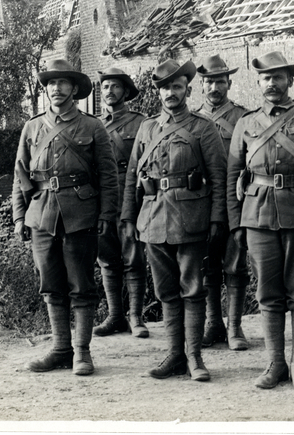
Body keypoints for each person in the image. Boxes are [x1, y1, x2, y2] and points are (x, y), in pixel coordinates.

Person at [227, 51, 294, 391]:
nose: (272, 83)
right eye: (266, 78)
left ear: (290, 81)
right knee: (268, 293)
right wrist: (236, 223)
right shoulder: (246, 123)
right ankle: (275, 364)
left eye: (278, 77)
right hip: (257, 216)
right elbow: (233, 174)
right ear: (259, 83)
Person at [121, 59, 227, 382]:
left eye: (177, 86)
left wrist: (217, 220)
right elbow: (131, 177)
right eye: (165, 87)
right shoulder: (147, 128)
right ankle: (175, 355)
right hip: (152, 219)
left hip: (190, 218)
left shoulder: (202, 127)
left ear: (187, 90)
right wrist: (128, 216)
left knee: (193, 288)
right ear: (158, 92)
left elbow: (218, 177)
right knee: (166, 290)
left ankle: (195, 357)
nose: (171, 92)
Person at [12, 58, 118, 376]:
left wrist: (107, 213)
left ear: (74, 89)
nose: (55, 89)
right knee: (51, 285)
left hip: (81, 213)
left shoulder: (92, 126)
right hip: (41, 214)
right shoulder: (32, 127)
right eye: (50, 84)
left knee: (82, 285)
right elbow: (20, 174)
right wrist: (19, 217)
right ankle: (60, 349)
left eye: (62, 83)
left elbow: (108, 176)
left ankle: (82, 353)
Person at [194, 55, 251, 350]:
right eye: (208, 82)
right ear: (200, 85)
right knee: (206, 264)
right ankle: (213, 323)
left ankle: (236, 328)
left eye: (219, 81)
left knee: (235, 263)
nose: (214, 86)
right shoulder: (192, 120)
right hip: (200, 202)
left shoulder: (243, 118)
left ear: (229, 83)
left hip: (234, 200)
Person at [92, 68, 149, 339]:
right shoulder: (94, 125)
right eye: (105, 87)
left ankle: (136, 316)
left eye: (115, 87)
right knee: (107, 259)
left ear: (125, 92)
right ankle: (115, 316)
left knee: (134, 257)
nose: (109, 92)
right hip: (102, 199)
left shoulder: (141, 123)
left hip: (130, 196)